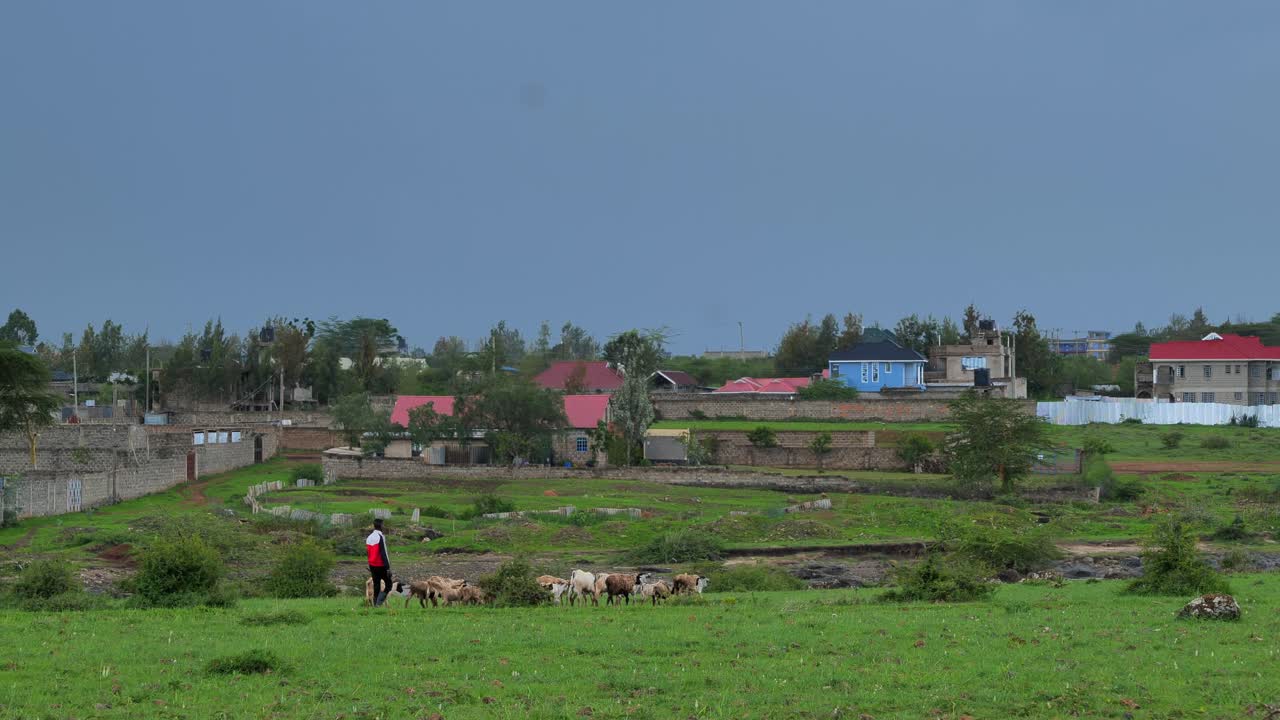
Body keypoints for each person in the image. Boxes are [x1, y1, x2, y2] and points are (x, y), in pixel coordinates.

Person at [366, 518, 391, 606]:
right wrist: (388, 568)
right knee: (389, 584)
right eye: (383, 525)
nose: (384, 527)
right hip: (381, 565)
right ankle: (379, 603)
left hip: (372, 565)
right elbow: (383, 553)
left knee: (376, 585)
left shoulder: (369, 537)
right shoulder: (380, 537)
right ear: (381, 526)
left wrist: (369, 565)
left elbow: (368, 553)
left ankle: (375, 605)